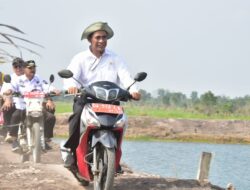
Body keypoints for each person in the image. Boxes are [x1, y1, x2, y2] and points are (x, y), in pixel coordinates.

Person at [62, 21, 141, 168]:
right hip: (86, 100)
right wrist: (72, 86)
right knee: (76, 116)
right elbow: (70, 76)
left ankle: (114, 157)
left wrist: (133, 90)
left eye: (104, 37)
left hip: (110, 102)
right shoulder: (80, 58)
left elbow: (126, 77)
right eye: (98, 37)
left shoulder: (115, 58)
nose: (101, 41)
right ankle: (72, 151)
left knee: (121, 123)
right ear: (90, 40)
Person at [3, 60, 58, 152]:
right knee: (15, 116)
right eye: (30, 68)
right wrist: (9, 91)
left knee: (51, 118)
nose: (32, 70)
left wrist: (54, 90)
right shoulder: (18, 79)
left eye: (34, 67)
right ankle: (13, 136)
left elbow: (46, 86)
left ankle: (45, 138)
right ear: (24, 69)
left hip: (37, 106)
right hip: (23, 107)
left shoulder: (38, 78)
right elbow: (11, 87)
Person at [0, 58, 25, 142]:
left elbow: (43, 87)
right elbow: (5, 91)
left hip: (30, 103)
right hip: (15, 102)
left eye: (20, 66)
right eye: (16, 66)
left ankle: (43, 138)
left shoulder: (31, 77)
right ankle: (9, 132)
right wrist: (7, 99)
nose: (18, 68)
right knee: (7, 106)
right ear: (13, 68)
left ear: (24, 67)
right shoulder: (10, 78)